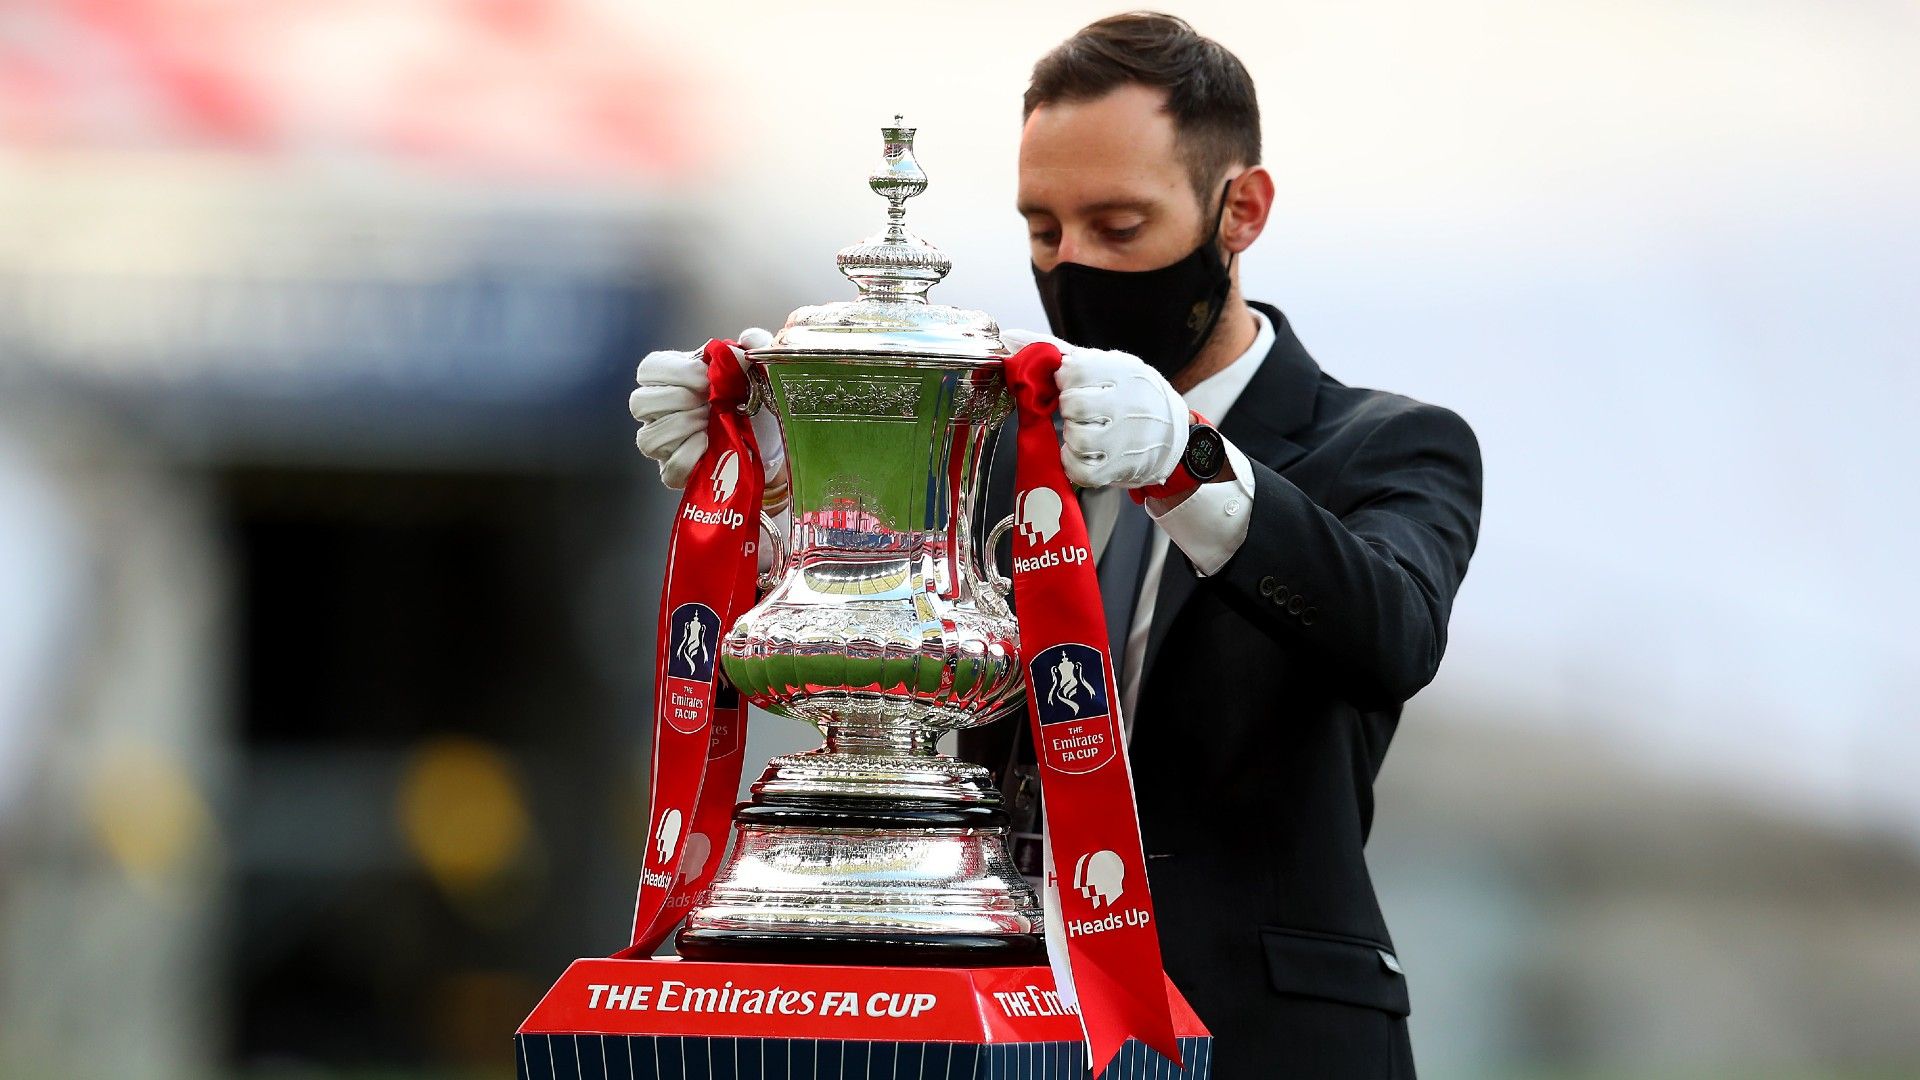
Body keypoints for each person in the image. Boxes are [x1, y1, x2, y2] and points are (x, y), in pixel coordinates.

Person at [630, 14, 1482, 1076]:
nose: (1074, 266)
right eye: (1044, 230)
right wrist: (761, 502)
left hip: (1264, 1034)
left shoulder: (1390, 445)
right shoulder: (993, 445)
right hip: (1004, 1025)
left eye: (1119, 226)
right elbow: (903, 656)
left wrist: (1192, 462)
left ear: (1242, 210)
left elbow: (1391, 631)